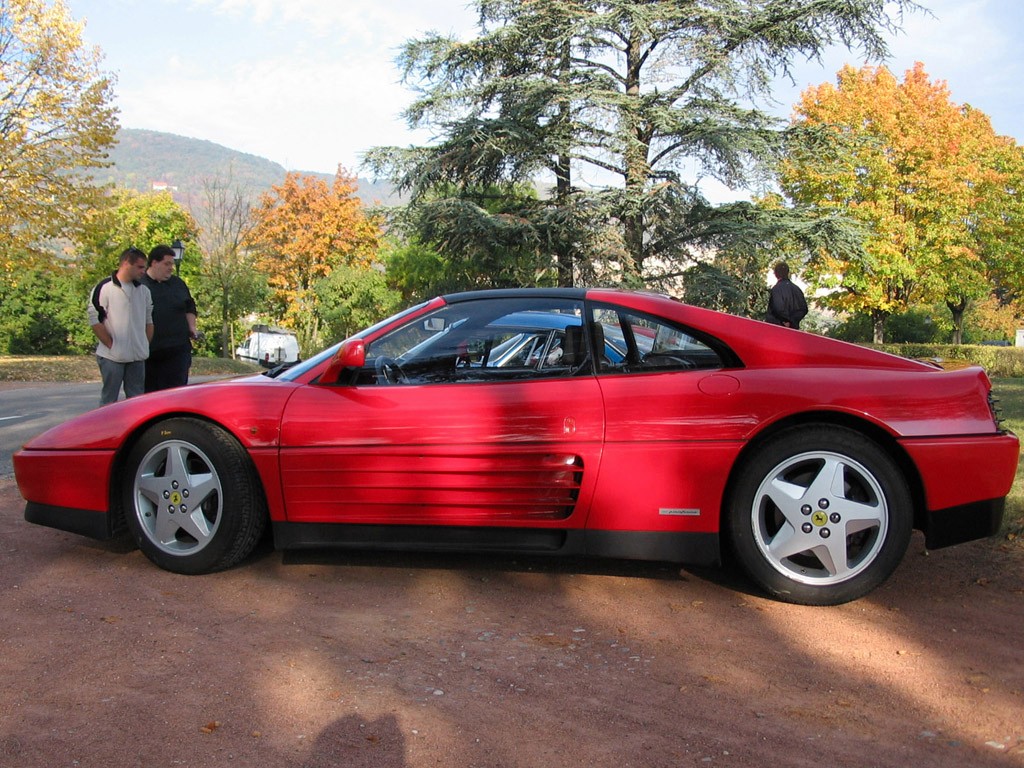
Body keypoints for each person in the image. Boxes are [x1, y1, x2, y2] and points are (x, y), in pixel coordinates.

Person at [88, 247, 154, 406]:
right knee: (109, 401)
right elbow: (95, 320)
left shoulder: (143, 290)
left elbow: (149, 321)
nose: (143, 271)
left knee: (137, 400)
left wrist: (144, 344)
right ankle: (105, 430)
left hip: (137, 356)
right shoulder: (105, 287)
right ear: (126, 264)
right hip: (112, 357)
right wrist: (112, 345)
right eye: (139, 267)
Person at [142, 244, 200, 392]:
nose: (170, 268)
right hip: (151, 352)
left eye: (172, 264)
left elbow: (189, 307)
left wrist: (192, 327)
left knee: (177, 393)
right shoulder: (140, 285)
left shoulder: (177, 284)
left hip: (178, 350)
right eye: (166, 264)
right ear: (154, 263)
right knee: (150, 395)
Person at [766, 261, 808, 329]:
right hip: (793, 331)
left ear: (776, 274)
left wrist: (785, 321)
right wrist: (793, 321)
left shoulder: (776, 289)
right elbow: (804, 309)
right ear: (787, 273)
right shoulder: (797, 289)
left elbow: (777, 308)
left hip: (775, 329)